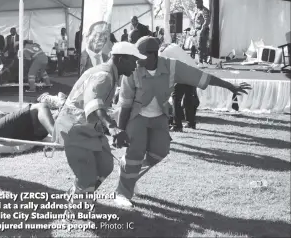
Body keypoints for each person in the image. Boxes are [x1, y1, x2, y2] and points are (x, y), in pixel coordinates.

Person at [115, 36, 251, 207]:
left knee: (160, 152)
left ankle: (128, 171)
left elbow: (202, 77)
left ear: (153, 55)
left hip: (160, 117)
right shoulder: (132, 70)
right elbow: (125, 103)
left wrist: (230, 86)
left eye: (140, 56)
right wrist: (119, 130)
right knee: (134, 155)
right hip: (137, 118)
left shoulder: (172, 66)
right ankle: (122, 194)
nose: (136, 60)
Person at [53, 41, 145, 219]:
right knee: (86, 176)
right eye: (133, 60)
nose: (136, 65)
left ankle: (79, 195)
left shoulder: (109, 73)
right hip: (75, 128)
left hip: (88, 128)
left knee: (105, 165)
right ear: (120, 59)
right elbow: (93, 102)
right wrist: (112, 127)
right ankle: (76, 212)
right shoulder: (104, 76)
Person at [158, 42, 200, 131]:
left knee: (176, 98)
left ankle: (177, 125)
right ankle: (191, 123)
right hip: (194, 72)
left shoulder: (162, 51)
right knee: (189, 99)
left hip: (182, 74)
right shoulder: (176, 47)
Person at [194, 0, 210, 67]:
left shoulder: (204, 10)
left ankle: (201, 62)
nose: (196, 5)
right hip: (198, 30)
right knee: (201, 46)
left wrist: (202, 30)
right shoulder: (198, 11)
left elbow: (207, 20)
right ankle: (203, 61)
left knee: (201, 46)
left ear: (201, 3)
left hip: (202, 30)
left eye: (197, 3)